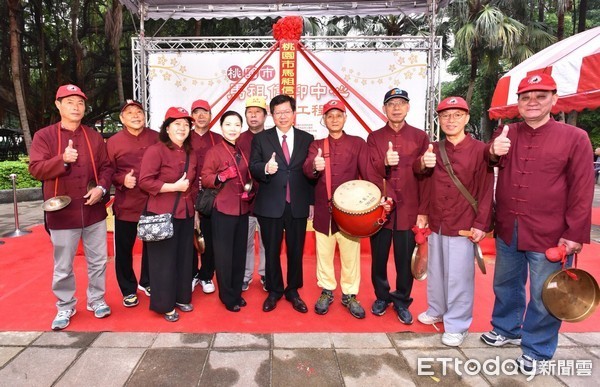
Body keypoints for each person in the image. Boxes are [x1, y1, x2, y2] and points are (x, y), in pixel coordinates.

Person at [480, 73, 594, 373]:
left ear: (554, 100)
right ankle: (506, 328)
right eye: (526, 97)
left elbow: (582, 189)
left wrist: (574, 234)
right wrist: (493, 151)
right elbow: (487, 161)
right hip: (508, 226)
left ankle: (537, 348)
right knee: (505, 284)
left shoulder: (575, 138)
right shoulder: (507, 132)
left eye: (541, 96)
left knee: (547, 292)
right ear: (517, 103)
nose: (532, 102)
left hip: (551, 234)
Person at [29, 84, 112, 330]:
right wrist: (61, 160)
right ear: (58, 105)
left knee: (98, 260)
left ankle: (96, 300)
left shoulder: (94, 136)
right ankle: (65, 305)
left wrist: (102, 189)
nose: (76, 108)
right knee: (63, 264)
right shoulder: (44, 136)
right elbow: (35, 169)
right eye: (69, 102)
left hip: (93, 210)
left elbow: (107, 167)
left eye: (80, 103)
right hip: (61, 211)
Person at [414, 97, 494, 346]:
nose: (450, 120)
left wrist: (481, 224)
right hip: (437, 220)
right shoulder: (434, 149)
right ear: (439, 120)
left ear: (467, 118)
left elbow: (485, 189)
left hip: (464, 223)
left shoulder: (480, 150)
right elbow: (424, 182)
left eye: (457, 115)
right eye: (445, 116)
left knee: (459, 276)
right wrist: (421, 164)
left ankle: (457, 324)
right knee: (436, 271)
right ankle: (436, 308)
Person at [366, 87, 429, 324]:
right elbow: (371, 171)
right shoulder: (374, 138)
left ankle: (402, 300)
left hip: (410, 209)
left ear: (408, 107)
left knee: (405, 259)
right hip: (381, 208)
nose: (396, 108)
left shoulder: (420, 137)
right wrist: (384, 162)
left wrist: (424, 211)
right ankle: (381, 296)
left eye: (401, 103)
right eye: (391, 104)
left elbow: (426, 176)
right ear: (384, 109)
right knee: (378, 256)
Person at [302, 100, 368, 319]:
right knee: (324, 254)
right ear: (324, 120)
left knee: (351, 256)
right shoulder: (317, 145)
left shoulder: (358, 143)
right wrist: (314, 166)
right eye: (330, 116)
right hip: (324, 211)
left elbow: (367, 174)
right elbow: (307, 169)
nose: (334, 120)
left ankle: (349, 294)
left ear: (345, 117)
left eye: (338, 115)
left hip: (350, 213)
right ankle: (327, 290)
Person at [249, 94, 314, 313]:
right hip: (270, 204)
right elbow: (253, 166)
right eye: (278, 113)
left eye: (287, 112)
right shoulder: (261, 139)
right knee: (272, 250)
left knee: (296, 250)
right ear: (272, 116)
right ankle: (275, 290)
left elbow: (311, 172)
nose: (283, 116)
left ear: (294, 114)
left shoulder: (307, 138)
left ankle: (293, 290)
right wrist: (266, 169)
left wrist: (312, 202)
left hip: (297, 203)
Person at [139, 107, 198, 322]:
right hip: (162, 215)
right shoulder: (156, 151)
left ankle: (182, 296)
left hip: (186, 213)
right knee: (163, 262)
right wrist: (173, 187)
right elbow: (144, 181)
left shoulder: (192, 153)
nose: (182, 128)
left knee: (184, 258)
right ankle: (164, 305)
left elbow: (192, 186)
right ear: (167, 127)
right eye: (177, 124)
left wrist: (195, 211)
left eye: (186, 125)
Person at [106, 100, 158, 307]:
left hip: (153, 202)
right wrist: (121, 180)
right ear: (122, 118)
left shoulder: (156, 137)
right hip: (126, 203)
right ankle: (128, 288)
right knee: (125, 249)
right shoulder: (114, 142)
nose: (136, 116)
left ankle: (148, 281)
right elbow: (107, 170)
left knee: (153, 246)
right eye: (130, 113)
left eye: (139, 112)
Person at [202, 111, 254, 312]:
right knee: (224, 256)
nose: (233, 129)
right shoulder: (214, 151)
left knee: (239, 254)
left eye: (236, 125)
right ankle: (227, 296)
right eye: (228, 124)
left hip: (242, 209)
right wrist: (222, 177)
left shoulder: (242, 151)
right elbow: (206, 178)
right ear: (221, 127)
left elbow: (247, 177)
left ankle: (236, 293)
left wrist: (250, 190)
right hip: (223, 209)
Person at [189, 99, 222, 294]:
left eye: (205, 112)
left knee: (210, 237)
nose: (201, 116)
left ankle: (206, 274)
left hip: (212, 196)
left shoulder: (218, 139)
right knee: (189, 237)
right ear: (192, 116)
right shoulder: (184, 137)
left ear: (211, 116)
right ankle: (192, 273)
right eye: (197, 112)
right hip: (188, 193)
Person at [237, 96, 267, 292]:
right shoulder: (237, 138)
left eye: (257, 112)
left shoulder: (272, 137)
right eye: (249, 112)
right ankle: (245, 275)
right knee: (244, 242)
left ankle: (266, 274)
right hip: (243, 201)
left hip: (267, 200)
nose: (253, 115)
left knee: (267, 242)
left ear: (265, 116)